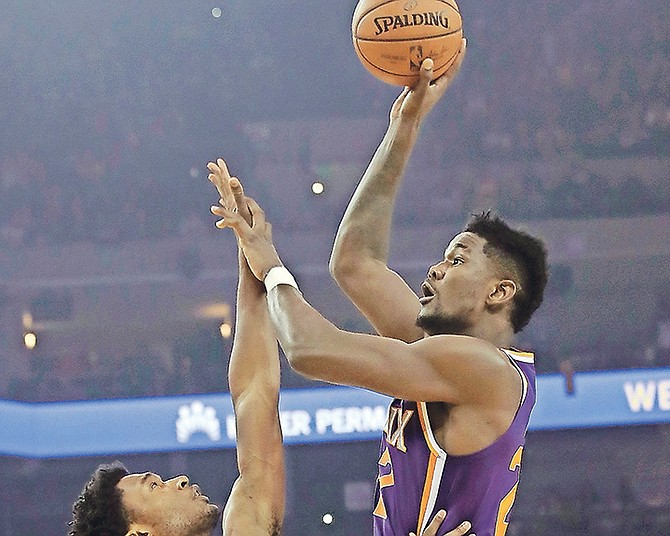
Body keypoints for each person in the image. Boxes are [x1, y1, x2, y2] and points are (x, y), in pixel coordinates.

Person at [210, 38, 549, 536]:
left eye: (456, 260)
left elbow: (308, 350)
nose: (435, 270)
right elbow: (355, 263)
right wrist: (403, 127)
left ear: (499, 293)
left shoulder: (481, 368)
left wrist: (270, 264)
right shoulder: (444, 357)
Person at [66, 162, 472, 536]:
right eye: (155, 486)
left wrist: (250, 248)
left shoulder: (244, 525)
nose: (179, 480)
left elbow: (253, 392)